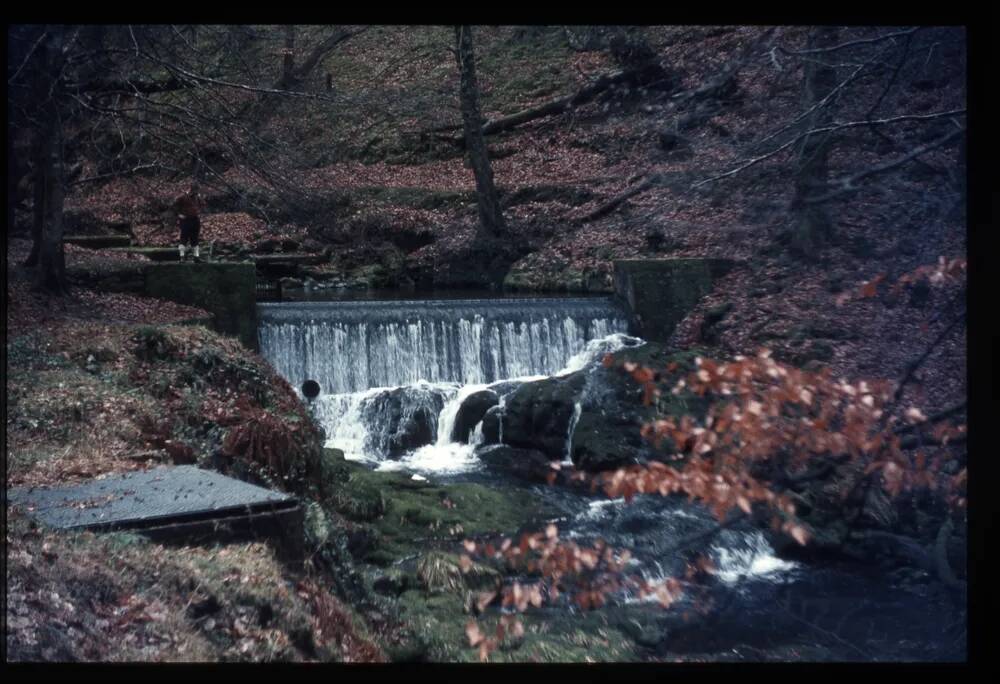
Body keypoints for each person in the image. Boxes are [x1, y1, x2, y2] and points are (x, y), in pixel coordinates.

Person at [173, 182, 203, 261]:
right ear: (191, 189)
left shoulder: (197, 197)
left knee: (195, 238)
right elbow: (174, 206)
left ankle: (196, 257)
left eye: (197, 191)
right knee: (184, 238)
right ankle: (182, 257)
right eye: (195, 191)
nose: (196, 192)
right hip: (185, 220)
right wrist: (179, 214)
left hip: (195, 220)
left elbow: (202, 205)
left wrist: (199, 212)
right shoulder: (182, 197)